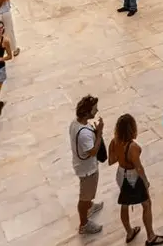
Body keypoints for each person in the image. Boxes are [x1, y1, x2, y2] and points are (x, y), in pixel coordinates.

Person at [108, 114, 163, 245]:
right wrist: (145, 182)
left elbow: (111, 161)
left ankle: (129, 232)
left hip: (120, 174)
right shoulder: (132, 147)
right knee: (146, 204)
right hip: (132, 177)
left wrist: (119, 154)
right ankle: (150, 236)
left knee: (124, 204)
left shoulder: (114, 141)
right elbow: (138, 168)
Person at [70, 95, 105, 235]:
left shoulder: (75, 123)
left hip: (83, 166)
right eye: (94, 109)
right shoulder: (84, 134)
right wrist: (100, 132)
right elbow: (93, 151)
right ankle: (84, 224)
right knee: (84, 197)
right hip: (87, 170)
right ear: (86, 112)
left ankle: (90, 206)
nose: (97, 111)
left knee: (88, 194)